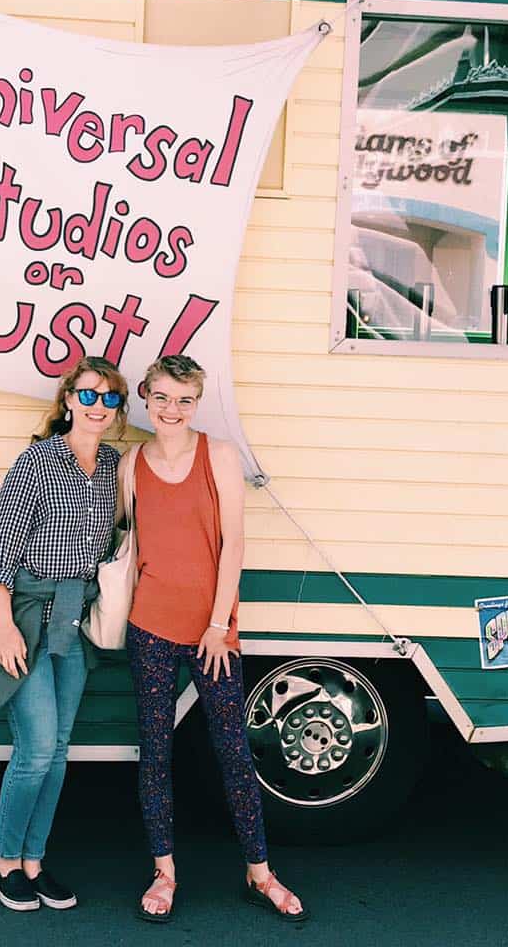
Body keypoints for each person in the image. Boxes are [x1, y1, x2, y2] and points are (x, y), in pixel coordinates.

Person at [120, 354, 307, 924]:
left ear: (197, 403)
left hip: (214, 633)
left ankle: (260, 873)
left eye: (185, 400)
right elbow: (129, 542)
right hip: (148, 625)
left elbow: (234, 544)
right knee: (155, 753)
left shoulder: (219, 456)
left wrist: (218, 623)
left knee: (232, 752)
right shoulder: (131, 463)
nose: (172, 409)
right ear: (146, 398)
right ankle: (165, 872)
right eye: (162, 398)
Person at [0, 356, 127, 912]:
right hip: (28, 616)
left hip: (73, 620)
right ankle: (4, 861)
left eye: (109, 398)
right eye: (88, 395)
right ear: (67, 401)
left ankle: (34, 862)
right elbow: (0, 547)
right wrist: (4, 625)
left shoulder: (113, 467)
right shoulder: (37, 460)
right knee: (34, 749)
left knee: (58, 750)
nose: (98, 406)